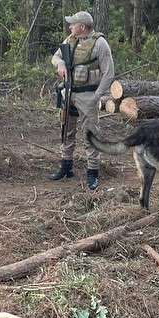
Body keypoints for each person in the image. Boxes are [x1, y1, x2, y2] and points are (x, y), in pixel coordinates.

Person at [48, 10, 115, 191]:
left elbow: (109, 73)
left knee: (90, 134)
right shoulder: (69, 40)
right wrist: (60, 64)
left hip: (88, 95)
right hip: (68, 92)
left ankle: (92, 173)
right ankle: (66, 166)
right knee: (66, 130)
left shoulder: (100, 43)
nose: (70, 26)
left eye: (73, 24)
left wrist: (97, 96)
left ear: (82, 27)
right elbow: (55, 57)